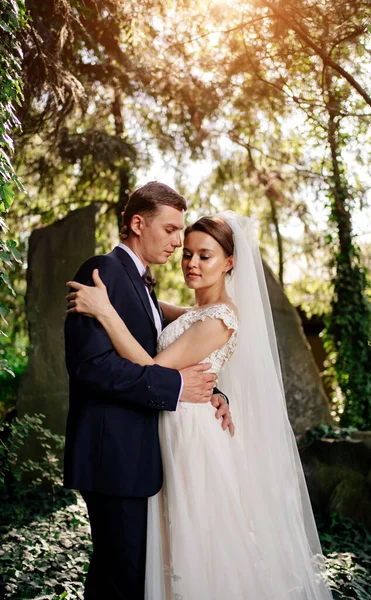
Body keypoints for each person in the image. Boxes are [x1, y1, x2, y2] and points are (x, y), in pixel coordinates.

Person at [66, 211, 333, 599]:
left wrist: (105, 312)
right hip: (168, 426)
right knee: (163, 544)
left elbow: (155, 368)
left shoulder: (221, 318)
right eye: (187, 253)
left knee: (195, 540)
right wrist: (216, 392)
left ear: (229, 262)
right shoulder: (197, 314)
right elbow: (153, 309)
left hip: (191, 437)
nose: (191, 262)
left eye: (204, 256)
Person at [63, 182, 233, 600]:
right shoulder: (102, 272)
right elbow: (91, 366)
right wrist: (176, 386)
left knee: (117, 576)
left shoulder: (141, 281)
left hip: (139, 455)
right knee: (124, 578)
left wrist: (213, 389)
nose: (179, 242)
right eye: (172, 230)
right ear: (138, 224)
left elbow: (191, 334)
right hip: (112, 453)